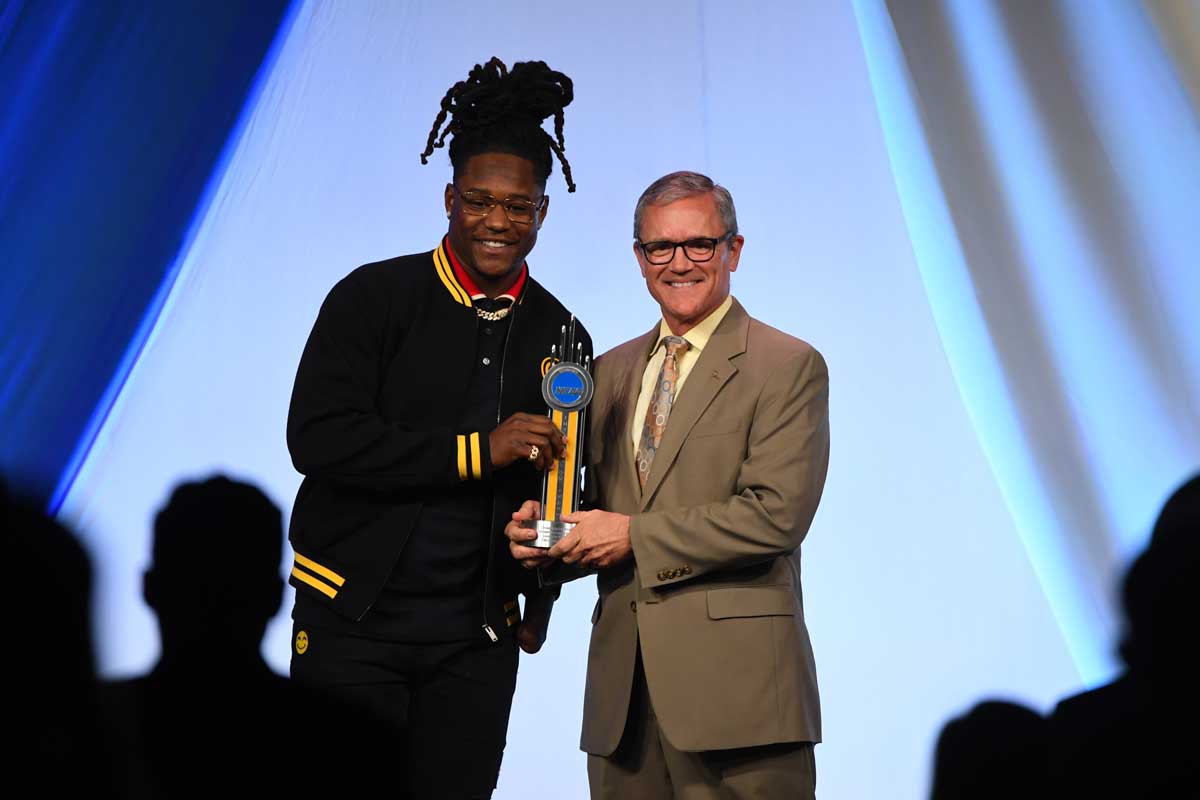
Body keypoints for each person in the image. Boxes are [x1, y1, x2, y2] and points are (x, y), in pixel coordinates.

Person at [286, 57, 591, 799]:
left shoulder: (563, 332)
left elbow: (562, 481)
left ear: (543, 212)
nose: (498, 221)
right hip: (351, 622)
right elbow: (318, 439)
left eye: (519, 206)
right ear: (449, 198)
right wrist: (475, 452)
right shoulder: (373, 297)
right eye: (481, 201)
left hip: (476, 640)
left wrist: (541, 593)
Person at [508, 171, 830, 798]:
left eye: (699, 245)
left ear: (733, 250)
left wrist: (631, 536)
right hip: (623, 704)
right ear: (640, 258)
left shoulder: (786, 365)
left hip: (740, 704)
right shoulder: (607, 371)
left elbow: (775, 516)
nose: (679, 263)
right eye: (661, 248)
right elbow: (596, 518)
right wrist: (542, 535)